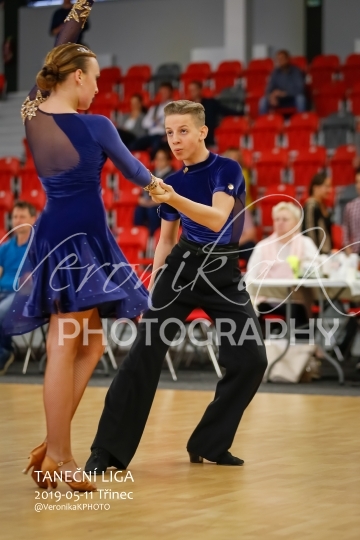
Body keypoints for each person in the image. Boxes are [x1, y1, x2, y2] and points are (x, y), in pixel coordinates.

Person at [10, 0, 164, 492]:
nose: (99, 87)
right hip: (83, 238)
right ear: (76, 77)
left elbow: (58, 52)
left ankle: (51, 446)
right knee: (65, 344)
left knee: (90, 341)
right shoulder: (96, 126)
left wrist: (78, 12)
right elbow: (137, 174)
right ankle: (61, 454)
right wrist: (172, 195)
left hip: (56, 232)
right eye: (95, 77)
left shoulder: (32, 112)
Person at [85, 100, 268, 473]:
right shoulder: (174, 183)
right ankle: (106, 451)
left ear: (202, 131)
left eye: (183, 130)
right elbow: (166, 240)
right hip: (181, 269)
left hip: (223, 274)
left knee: (251, 360)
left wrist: (171, 197)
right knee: (142, 357)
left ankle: (209, 443)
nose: (175, 139)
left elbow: (218, 219)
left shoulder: (225, 169)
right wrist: (155, 283)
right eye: (169, 132)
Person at [247, 202, 319, 329]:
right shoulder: (262, 246)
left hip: (296, 299)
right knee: (251, 313)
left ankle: (302, 347)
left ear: (296, 223)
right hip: (266, 300)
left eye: (285, 219)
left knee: (297, 311)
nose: (280, 222)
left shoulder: (306, 244)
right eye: (277, 219)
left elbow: (316, 270)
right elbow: (250, 277)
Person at [0, 202, 37, 376]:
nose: (17, 220)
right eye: (15, 216)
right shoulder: (5, 247)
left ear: (32, 219)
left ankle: (4, 353)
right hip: (3, 292)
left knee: (1, 311)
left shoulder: (38, 247)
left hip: (25, 296)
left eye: (22, 216)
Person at [133, 148, 174, 236]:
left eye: (162, 159)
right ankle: (139, 235)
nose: (158, 161)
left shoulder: (172, 176)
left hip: (163, 205)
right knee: (138, 210)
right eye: (157, 158)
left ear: (168, 161)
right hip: (149, 203)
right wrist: (142, 200)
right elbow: (143, 192)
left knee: (153, 211)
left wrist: (153, 202)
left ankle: (152, 237)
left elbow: (170, 196)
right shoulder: (151, 174)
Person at [187, 80, 241, 146]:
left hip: (210, 138)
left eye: (194, 90)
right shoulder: (188, 107)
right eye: (191, 90)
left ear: (200, 90)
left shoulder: (211, 103)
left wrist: (242, 114)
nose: (192, 92)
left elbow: (225, 111)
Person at [130, 82, 173, 157]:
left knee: (156, 146)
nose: (163, 94)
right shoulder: (154, 108)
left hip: (162, 135)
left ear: (170, 92)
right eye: (161, 92)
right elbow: (145, 123)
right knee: (133, 145)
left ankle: (152, 163)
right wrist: (156, 123)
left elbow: (170, 123)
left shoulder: (174, 107)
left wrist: (156, 122)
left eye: (165, 92)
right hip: (151, 135)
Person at [259, 50, 306, 115]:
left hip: (292, 99)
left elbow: (299, 89)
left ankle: (301, 121)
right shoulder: (275, 73)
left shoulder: (296, 71)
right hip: (279, 100)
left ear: (287, 59)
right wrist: (272, 96)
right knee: (263, 100)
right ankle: (263, 123)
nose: (280, 61)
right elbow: (269, 89)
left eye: (282, 58)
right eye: (278, 59)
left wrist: (284, 93)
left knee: (301, 99)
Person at [302, 172, 333, 254]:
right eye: (326, 186)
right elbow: (309, 232)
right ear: (315, 188)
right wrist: (315, 254)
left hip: (325, 252)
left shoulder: (322, 205)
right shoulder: (311, 206)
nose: (329, 190)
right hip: (316, 255)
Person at [343, 169, 360, 255]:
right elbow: (346, 231)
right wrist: (348, 250)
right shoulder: (350, 206)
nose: (358, 185)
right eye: (357, 182)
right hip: (355, 253)